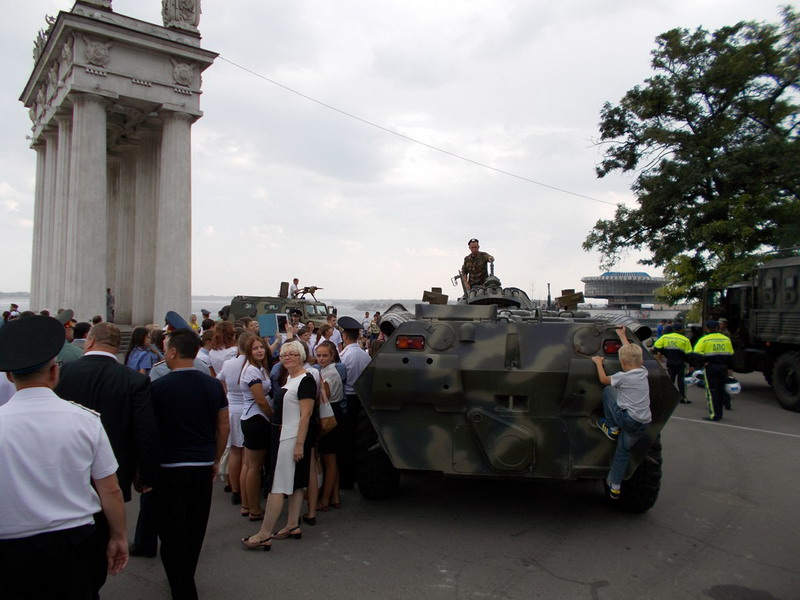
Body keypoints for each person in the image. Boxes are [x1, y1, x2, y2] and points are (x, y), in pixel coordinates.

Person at [0, 315, 128, 599]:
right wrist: (118, 536)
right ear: (54, 372)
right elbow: (111, 490)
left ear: (10, 376)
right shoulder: (86, 421)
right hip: (73, 541)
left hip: (9, 546)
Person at [54, 321, 161, 585]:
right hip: (113, 471)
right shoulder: (134, 380)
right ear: (116, 348)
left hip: (64, 469)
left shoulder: (63, 373)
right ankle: (92, 583)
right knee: (100, 535)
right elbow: (145, 432)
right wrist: (146, 476)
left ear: (89, 341)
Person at [151, 328, 229, 600]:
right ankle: (185, 577)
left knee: (171, 531)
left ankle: (182, 585)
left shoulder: (157, 387)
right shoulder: (212, 385)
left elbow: (149, 431)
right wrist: (216, 459)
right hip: (201, 464)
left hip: (169, 467)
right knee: (195, 527)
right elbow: (223, 427)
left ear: (172, 352)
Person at [241, 340, 317, 551]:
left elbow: (306, 415)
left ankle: (264, 534)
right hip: (285, 436)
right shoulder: (291, 379)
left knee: (277, 485)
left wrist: (299, 444)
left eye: (292, 354)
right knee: (295, 483)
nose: (287, 357)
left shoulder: (305, 381)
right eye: (284, 355)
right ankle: (292, 525)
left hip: (291, 438)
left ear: (301, 356)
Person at [590, 326, 652, 500]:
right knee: (623, 451)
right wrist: (623, 336)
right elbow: (632, 356)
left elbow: (603, 380)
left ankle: (611, 427)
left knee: (609, 391)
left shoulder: (623, 377)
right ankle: (615, 485)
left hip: (626, 419)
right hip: (643, 422)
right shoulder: (643, 372)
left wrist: (598, 363)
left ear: (623, 363)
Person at [237, 334, 274, 521]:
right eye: (255, 348)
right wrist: (273, 418)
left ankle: (246, 505)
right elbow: (260, 400)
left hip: (251, 418)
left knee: (249, 465)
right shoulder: (252, 371)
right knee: (255, 467)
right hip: (257, 420)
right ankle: (254, 509)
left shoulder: (257, 367)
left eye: (261, 347)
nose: (259, 350)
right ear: (248, 352)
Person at [337, 315, 372, 489]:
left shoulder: (344, 357)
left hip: (348, 398)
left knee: (346, 440)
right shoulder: (364, 356)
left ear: (344, 336)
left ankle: (346, 478)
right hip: (361, 398)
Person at [314, 340, 344, 512]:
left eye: (325, 355)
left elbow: (324, 397)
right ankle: (335, 496)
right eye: (319, 355)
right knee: (332, 459)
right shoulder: (328, 371)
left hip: (329, 412)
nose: (321, 359)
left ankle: (324, 499)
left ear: (332, 355)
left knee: (328, 459)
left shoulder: (328, 374)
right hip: (335, 410)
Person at [692, 320, 734, 421]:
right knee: (721, 389)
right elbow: (731, 354)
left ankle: (714, 415)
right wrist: (729, 368)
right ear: (718, 328)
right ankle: (720, 413)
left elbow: (696, 354)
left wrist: (703, 362)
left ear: (706, 328)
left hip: (711, 367)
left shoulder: (704, 340)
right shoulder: (726, 339)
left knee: (712, 391)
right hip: (723, 367)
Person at [653, 322, 693, 404]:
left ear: (673, 329)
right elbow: (689, 354)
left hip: (670, 362)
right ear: (681, 330)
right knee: (681, 381)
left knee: (670, 381)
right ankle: (683, 397)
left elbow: (656, 347)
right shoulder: (685, 340)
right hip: (681, 363)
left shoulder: (665, 337)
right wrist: (691, 365)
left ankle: (668, 397)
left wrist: (663, 353)